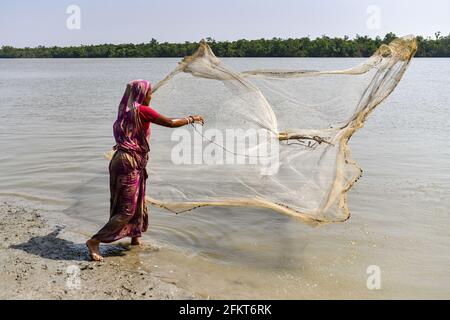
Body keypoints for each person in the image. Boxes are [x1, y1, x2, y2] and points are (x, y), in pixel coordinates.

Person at [86, 80, 204, 261]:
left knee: (138, 200)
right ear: (142, 95)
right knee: (127, 208)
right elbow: (171, 123)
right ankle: (95, 241)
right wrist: (192, 119)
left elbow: (129, 135)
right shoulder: (142, 110)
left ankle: (135, 238)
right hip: (128, 163)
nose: (151, 95)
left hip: (123, 161)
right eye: (149, 92)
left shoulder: (125, 112)